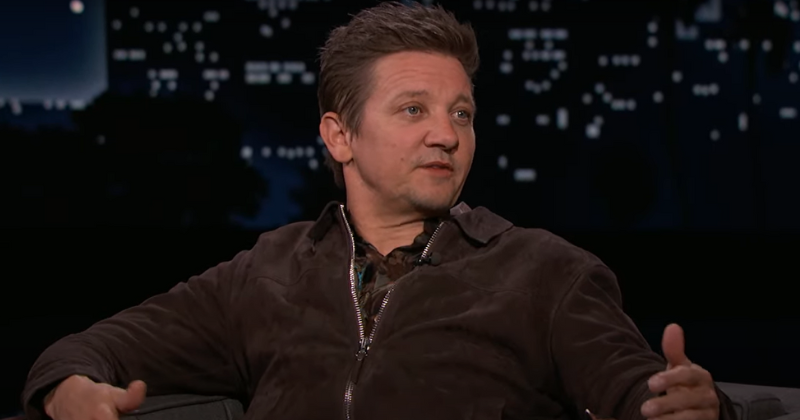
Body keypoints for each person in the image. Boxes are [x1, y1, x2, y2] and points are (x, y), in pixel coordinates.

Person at [24, 2, 735, 420]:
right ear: (340, 137)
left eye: (462, 112)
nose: (447, 133)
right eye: (413, 109)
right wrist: (67, 392)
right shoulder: (266, 274)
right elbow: (83, 352)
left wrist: (693, 406)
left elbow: (639, 391)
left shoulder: (545, 273)